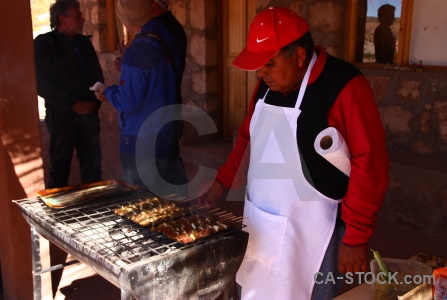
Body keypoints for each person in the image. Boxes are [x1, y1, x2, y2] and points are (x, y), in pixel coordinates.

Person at [198, 7, 389, 300]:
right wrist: (222, 181)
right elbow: (248, 139)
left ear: (299, 56)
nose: (261, 73)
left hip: (315, 231)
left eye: (269, 63)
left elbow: (370, 164)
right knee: (253, 289)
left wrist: (355, 237)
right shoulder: (266, 87)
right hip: (261, 219)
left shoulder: (345, 86)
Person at [95, 0, 188, 196]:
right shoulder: (162, 39)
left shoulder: (138, 50)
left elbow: (128, 101)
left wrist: (108, 93)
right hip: (165, 129)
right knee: (171, 193)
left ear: (126, 20)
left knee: (141, 200)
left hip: (141, 138)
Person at [34, 0, 104, 188]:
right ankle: (57, 212)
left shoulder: (84, 44)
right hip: (61, 116)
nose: (82, 19)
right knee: (60, 166)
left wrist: (95, 102)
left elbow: (97, 76)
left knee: (92, 166)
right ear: (62, 19)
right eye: (77, 16)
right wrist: (71, 104)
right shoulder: (44, 44)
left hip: (89, 116)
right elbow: (40, 83)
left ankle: (94, 208)